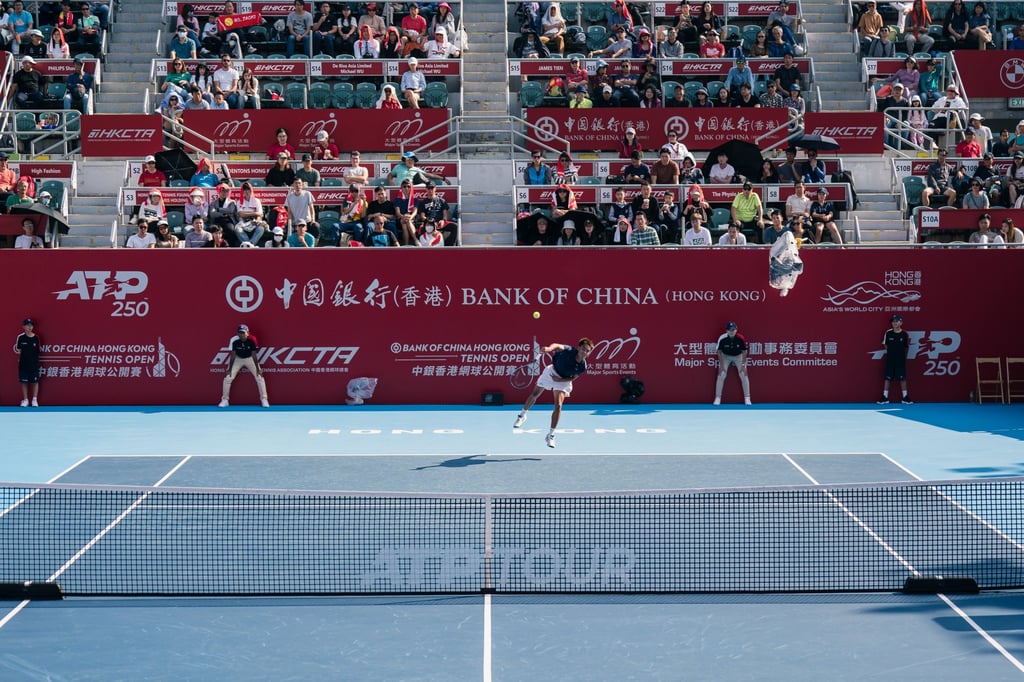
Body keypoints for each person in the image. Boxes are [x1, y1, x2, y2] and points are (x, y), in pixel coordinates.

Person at [513, 338, 594, 448]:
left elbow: (573, 378)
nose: (585, 352)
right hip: (551, 372)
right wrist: (549, 348)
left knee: (558, 406)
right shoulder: (570, 350)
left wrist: (560, 380)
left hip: (563, 380)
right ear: (579, 348)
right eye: (583, 349)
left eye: (587, 351)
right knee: (535, 394)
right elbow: (557, 345)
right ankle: (522, 415)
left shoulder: (582, 366)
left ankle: (551, 435)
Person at [219, 324, 268, 408]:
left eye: (243, 333)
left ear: (247, 333)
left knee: (259, 376)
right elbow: (233, 355)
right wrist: (230, 369)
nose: (241, 335)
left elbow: (254, 354)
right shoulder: (234, 340)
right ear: (237, 333)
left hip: (250, 358)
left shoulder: (252, 339)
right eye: (240, 333)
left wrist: (257, 368)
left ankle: (264, 399)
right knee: (228, 377)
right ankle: (225, 400)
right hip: (237, 358)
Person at [713, 321, 751, 405]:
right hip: (725, 356)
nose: (731, 331)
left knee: (743, 374)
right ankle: (717, 397)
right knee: (721, 374)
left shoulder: (740, 338)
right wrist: (722, 366)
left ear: (736, 330)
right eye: (729, 330)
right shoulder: (722, 338)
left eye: (733, 330)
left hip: (738, 356)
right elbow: (719, 352)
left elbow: (744, 351)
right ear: (726, 331)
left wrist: (743, 364)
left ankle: (747, 398)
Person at [877, 314, 911, 405]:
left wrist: (902, 356)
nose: (894, 323)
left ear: (901, 322)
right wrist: (891, 353)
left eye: (896, 321)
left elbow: (906, 347)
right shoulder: (888, 333)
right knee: (887, 378)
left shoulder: (904, 334)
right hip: (890, 359)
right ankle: (885, 397)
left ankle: (905, 397)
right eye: (893, 321)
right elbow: (885, 344)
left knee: (902, 378)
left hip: (900, 360)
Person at [15, 318, 41, 407]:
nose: (29, 327)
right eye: (27, 325)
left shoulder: (36, 338)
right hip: (23, 364)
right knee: (24, 382)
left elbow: (37, 351)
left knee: (35, 381)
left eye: (31, 325)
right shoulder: (21, 338)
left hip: (34, 364)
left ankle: (34, 400)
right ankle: (25, 400)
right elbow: (19, 350)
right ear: (23, 327)